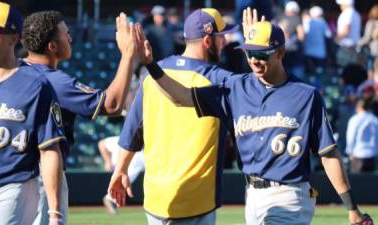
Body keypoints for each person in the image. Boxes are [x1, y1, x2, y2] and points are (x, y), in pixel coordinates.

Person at [132, 8, 374, 225]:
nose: (254, 61)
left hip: (291, 196)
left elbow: (328, 153)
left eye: (262, 54)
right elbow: (182, 97)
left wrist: (351, 208)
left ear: (280, 53)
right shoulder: (234, 88)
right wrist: (152, 66)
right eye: (249, 54)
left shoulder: (306, 96)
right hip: (253, 196)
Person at [108, 8, 238, 225]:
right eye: (221, 36)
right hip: (196, 198)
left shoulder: (152, 77)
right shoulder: (220, 81)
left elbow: (132, 131)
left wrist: (120, 170)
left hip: (157, 200)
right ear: (207, 41)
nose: (225, 41)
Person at [20, 10, 137, 225]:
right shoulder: (52, 80)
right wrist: (129, 54)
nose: (71, 38)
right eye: (66, 34)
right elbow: (111, 105)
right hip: (41, 181)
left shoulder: (11, 71)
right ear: (52, 47)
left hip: (4, 178)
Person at [0, 2, 65, 225]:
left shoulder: (35, 85)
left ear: (13, 37)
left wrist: (55, 212)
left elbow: (49, 149)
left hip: (11, 187)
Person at [98, 136, 144, 215]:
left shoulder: (143, 152)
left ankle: (111, 199)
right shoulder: (124, 140)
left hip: (124, 173)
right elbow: (101, 144)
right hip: (117, 171)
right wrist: (108, 161)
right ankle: (110, 198)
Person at [346, 97, 378, 173]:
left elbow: (351, 137)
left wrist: (350, 152)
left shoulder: (354, 119)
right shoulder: (375, 119)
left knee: (357, 183)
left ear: (359, 106)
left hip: (357, 155)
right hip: (373, 156)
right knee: (371, 183)